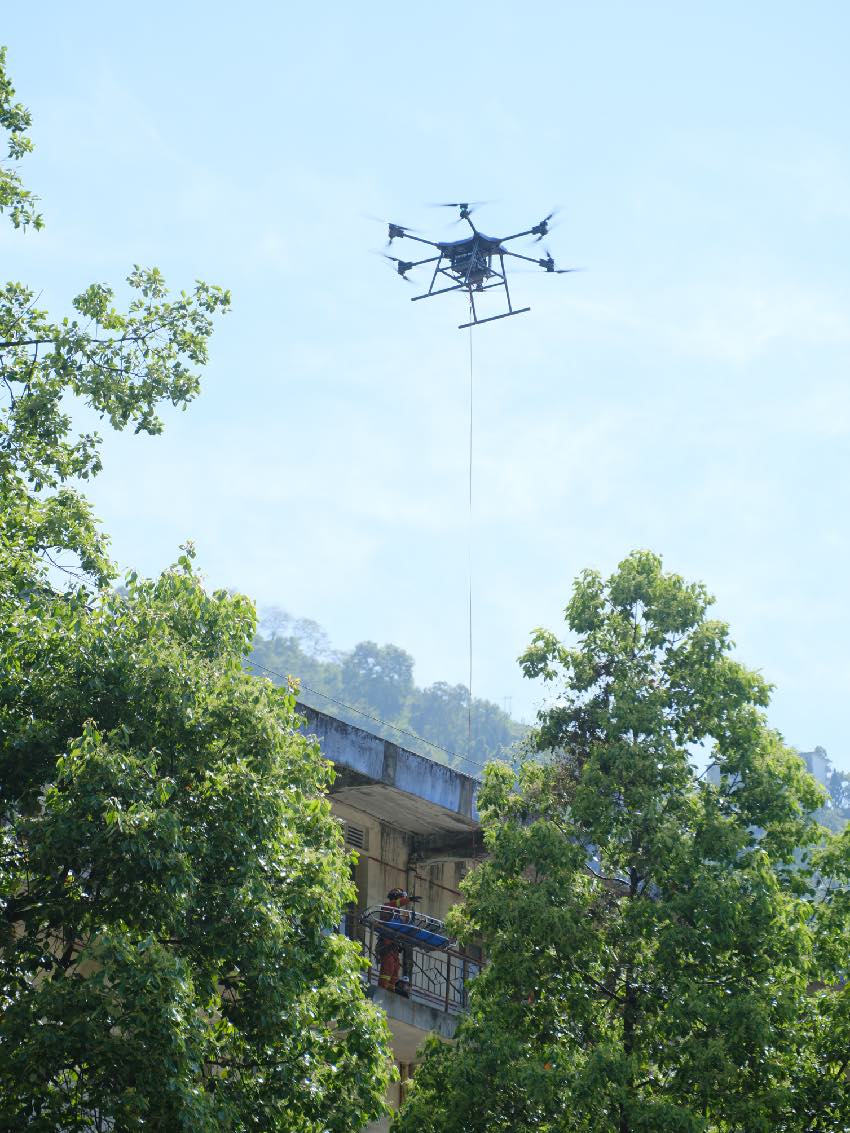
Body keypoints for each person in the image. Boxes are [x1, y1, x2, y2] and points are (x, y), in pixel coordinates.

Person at [377, 887, 411, 992]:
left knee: (395, 969)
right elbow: (396, 904)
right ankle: (382, 990)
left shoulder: (397, 913)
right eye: (401, 899)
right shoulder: (387, 906)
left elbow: (400, 927)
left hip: (394, 946)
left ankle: (391, 991)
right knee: (388, 967)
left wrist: (407, 922)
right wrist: (408, 899)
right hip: (386, 944)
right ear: (396, 898)